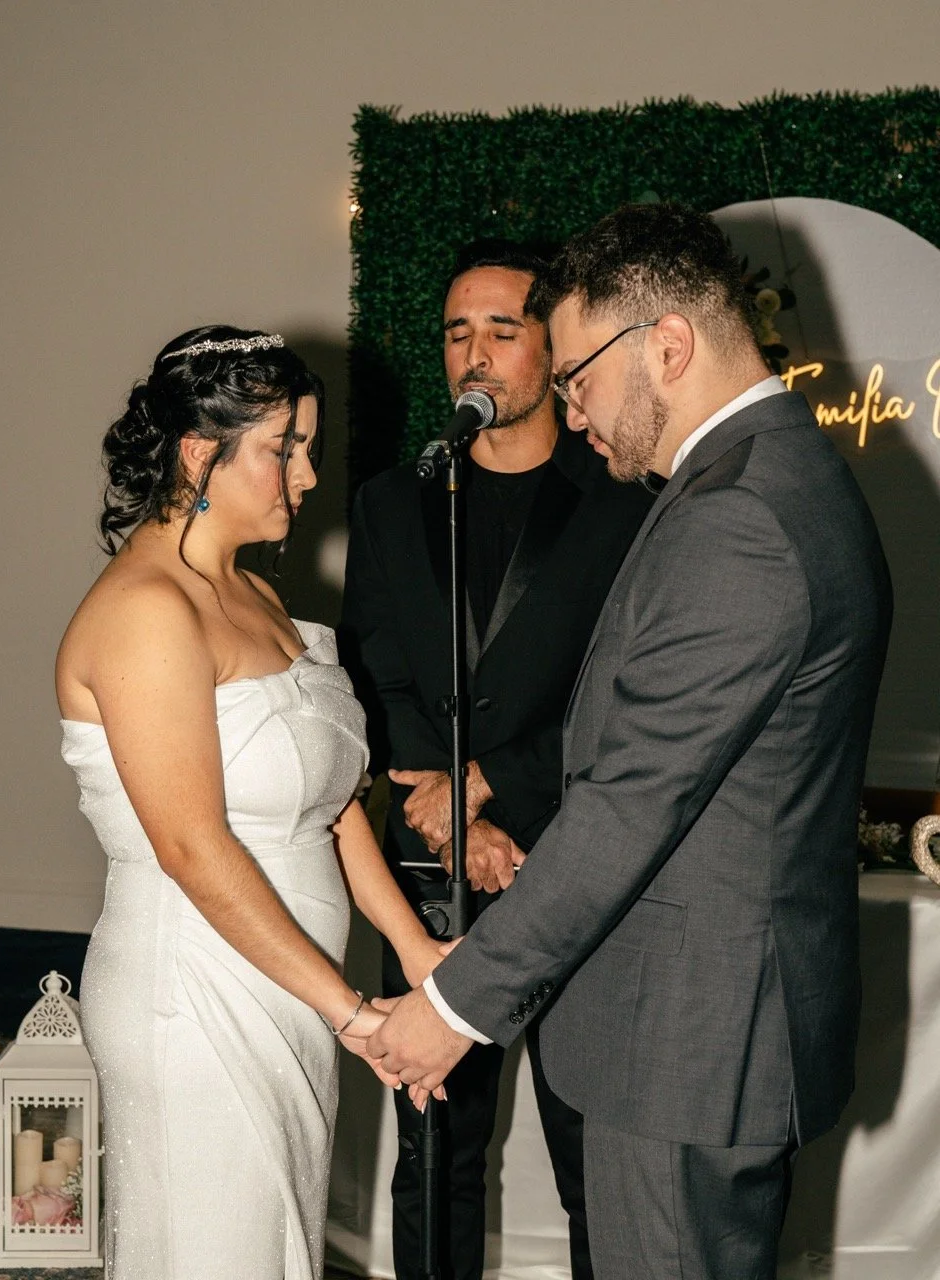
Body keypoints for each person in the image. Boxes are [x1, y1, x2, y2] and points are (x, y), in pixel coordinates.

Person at [368, 204, 894, 1280]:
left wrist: (454, 1004)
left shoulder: (736, 514)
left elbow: (630, 801)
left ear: (666, 345)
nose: (571, 409)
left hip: (688, 1040)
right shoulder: (766, 470)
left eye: (576, 377)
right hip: (709, 1019)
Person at [56, 326, 444, 1280]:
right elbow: (192, 848)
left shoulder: (261, 600)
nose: (307, 476)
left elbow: (334, 804)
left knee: (276, 1251)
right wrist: (355, 1014)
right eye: (286, 448)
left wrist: (415, 949)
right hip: (192, 989)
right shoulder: (148, 610)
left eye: (307, 448)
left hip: (296, 985)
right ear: (201, 453)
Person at [338, 241, 653, 1280]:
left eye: (501, 331)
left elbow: (624, 698)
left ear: (550, 347)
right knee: (435, 1144)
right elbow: (372, 671)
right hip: (432, 870)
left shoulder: (625, 500)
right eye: (455, 332)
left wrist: (493, 786)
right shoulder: (392, 500)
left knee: (589, 1149)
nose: (474, 355)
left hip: (572, 864)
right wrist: (448, 815)